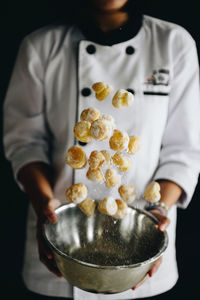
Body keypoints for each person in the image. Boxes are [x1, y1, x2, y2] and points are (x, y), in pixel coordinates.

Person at [3, 0, 200, 299]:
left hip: (142, 239)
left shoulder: (173, 43)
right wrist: (43, 202)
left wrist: (158, 211)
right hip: (59, 239)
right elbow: (25, 143)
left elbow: (184, 150)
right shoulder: (41, 46)